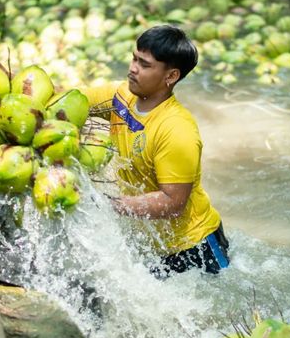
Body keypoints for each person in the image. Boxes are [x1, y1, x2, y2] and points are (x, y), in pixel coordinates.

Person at [84, 25, 229, 277]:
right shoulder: (120, 98)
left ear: (171, 76)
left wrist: (106, 204)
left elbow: (173, 203)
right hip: (154, 245)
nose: (132, 68)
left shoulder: (177, 129)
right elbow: (67, 101)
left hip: (196, 249)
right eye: (134, 58)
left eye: (144, 64)